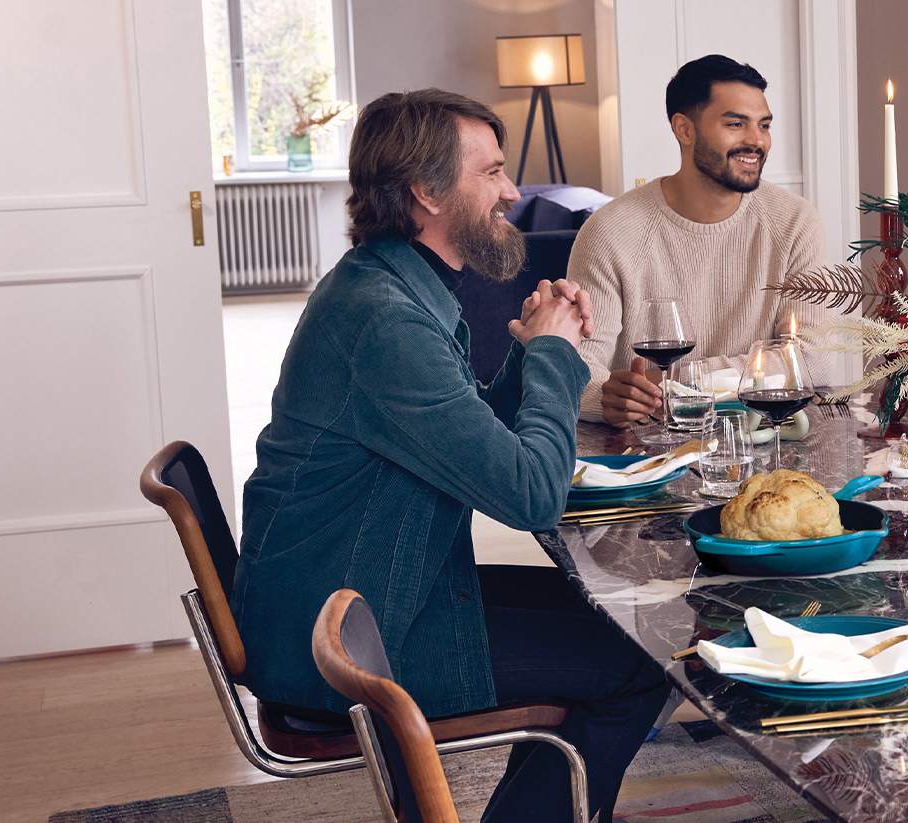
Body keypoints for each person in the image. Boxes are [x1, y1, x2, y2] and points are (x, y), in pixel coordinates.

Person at [230, 89, 669, 822]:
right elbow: (531, 494)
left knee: (617, 617)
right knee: (639, 662)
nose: (513, 191)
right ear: (426, 194)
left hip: (368, 591)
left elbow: (463, 437)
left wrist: (530, 355)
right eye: (491, 172)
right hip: (348, 634)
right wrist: (560, 353)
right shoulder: (386, 321)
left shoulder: (393, 285)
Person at [568, 54, 831, 425]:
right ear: (684, 129)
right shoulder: (610, 231)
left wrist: (680, 381)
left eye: (764, 125)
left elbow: (815, 361)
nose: (757, 141)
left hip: (764, 437)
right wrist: (605, 399)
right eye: (736, 124)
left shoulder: (794, 222)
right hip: (648, 450)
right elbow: (576, 376)